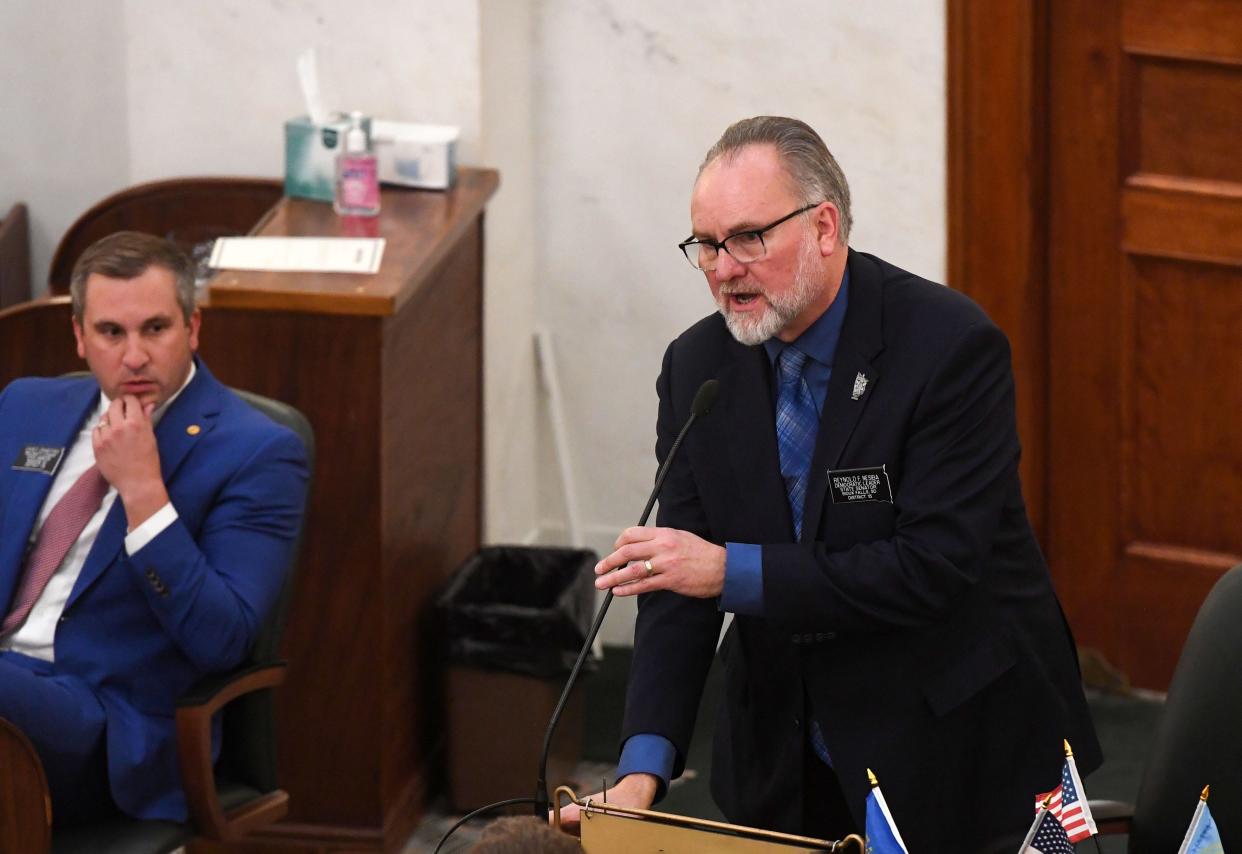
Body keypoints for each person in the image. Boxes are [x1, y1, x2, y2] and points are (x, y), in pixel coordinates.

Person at [560, 117, 1100, 852]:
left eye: (749, 238)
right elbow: (674, 578)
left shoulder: (949, 348)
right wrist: (641, 770)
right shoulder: (698, 370)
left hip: (963, 748)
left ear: (824, 226)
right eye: (707, 245)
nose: (723, 268)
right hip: (786, 758)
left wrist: (730, 571)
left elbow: (930, 567)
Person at [0, 232, 309, 823]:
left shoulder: (257, 452)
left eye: (156, 329)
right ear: (79, 338)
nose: (134, 356)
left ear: (193, 329)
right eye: (111, 333)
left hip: (106, 722)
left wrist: (144, 492)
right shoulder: (25, 407)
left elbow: (223, 639)